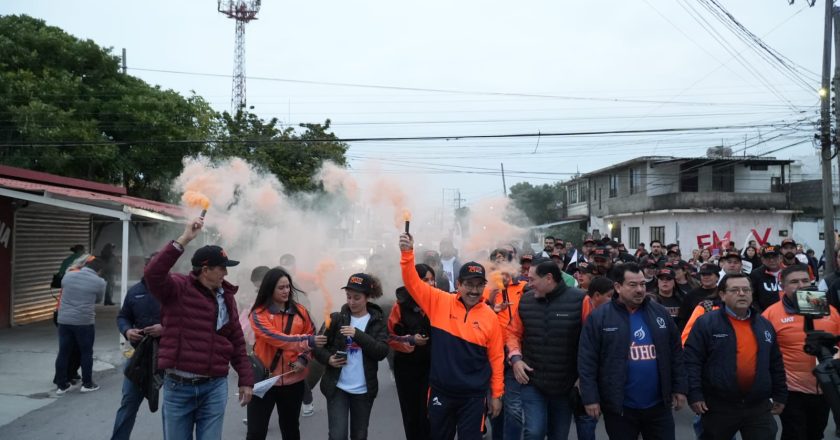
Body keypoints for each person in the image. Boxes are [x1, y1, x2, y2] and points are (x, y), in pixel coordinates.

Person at [144, 217, 254, 440]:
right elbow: (152, 274)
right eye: (222, 268)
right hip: (178, 388)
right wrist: (184, 239)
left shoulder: (227, 297)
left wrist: (245, 379)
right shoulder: (177, 288)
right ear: (205, 269)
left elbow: (236, 340)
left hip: (214, 387)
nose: (226, 273)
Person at [399, 232, 504, 440]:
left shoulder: (490, 317)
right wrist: (407, 253)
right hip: (441, 393)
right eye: (469, 284)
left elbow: (496, 358)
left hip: (473, 398)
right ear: (459, 284)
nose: (474, 290)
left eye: (479, 285)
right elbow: (412, 283)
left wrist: (497, 394)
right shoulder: (439, 302)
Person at [578, 263, 687, 440]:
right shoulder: (600, 317)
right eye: (633, 285)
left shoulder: (660, 313)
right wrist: (590, 398)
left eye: (642, 284)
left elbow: (675, 353)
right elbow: (587, 361)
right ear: (618, 287)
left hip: (658, 407)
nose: (639, 290)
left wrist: (680, 387)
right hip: (620, 408)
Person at [684, 273, 787, 440]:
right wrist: (695, 394)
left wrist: (780, 394)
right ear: (722, 295)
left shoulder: (764, 325)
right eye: (735, 290)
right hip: (719, 406)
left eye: (746, 289)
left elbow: (775, 363)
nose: (742, 293)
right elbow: (692, 361)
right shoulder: (706, 323)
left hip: (758, 406)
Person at [506, 260, 587, 440]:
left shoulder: (580, 299)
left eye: (533, 279)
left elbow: (591, 341)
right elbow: (512, 333)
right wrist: (515, 359)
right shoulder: (526, 299)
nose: (529, 283)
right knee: (534, 432)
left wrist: (584, 377)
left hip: (565, 384)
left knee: (558, 435)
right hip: (532, 380)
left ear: (549, 278)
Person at [761, 264, 840, 440]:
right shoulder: (771, 314)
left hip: (825, 388)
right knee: (795, 434)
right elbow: (763, 353)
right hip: (791, 390)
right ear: (782, 286)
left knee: (816, 433)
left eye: (805, 280)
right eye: (794, 282)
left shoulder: (831, 311)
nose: (801, 285)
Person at [247, 267, 326, 440]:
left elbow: (311, 338)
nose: (286, 291)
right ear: (269, 289)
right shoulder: (258, 314)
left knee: (291, 430)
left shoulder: (301, 312)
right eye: (280, 288)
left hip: (293, 382)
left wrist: (303, 359)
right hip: (264, 381)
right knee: (256, 432)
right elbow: (277, 338)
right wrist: (308, 341)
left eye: (287, 287)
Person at [314, 273, 389, 440]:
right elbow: (317, 348)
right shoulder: (335, 318)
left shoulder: (378, 321)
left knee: (359, 435)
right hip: (337, 387)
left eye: (357, 298)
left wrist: (357, 334)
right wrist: (329, 359)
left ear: (368, 297)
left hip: (363, 390)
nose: (351, 302)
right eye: (348, 297)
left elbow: (381, 352)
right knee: (337, 435)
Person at [111, 253, 162, 440]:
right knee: (128, 403)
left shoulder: (177, 291)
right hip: (142, 356)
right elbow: (123, 316)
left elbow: (189, 321)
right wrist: (127, 331)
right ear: (146, 268)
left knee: (173, 409)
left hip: (171, 357)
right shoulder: (134, 292)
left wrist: (165, 329)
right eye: (153, 267)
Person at [389, 264, 435, 440]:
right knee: (412, 416)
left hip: (434, 368)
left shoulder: (439, 301)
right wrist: (411, 340)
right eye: (425, 280)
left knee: (433, 414)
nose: (430, 283)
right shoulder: (399, 306)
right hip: (407, 369)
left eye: (432, 279)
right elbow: (390, 337)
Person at [54, 256, 107, 394]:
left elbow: (64, 290)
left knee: (63, 352)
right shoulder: (99, 282)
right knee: (86, 352)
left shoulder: (68, 276)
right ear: (99, 270)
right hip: (84, 321)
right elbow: (98, 299)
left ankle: (61, 385)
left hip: (64, 320)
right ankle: (87, 384)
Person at [677, 264, 720, 330]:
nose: (706, 277)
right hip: (695, 333)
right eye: (703, 275)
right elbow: (682, 318)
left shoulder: (723, 294)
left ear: (717, 277)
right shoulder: (691, 295)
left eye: (709, 274)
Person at [750, 245, 783, 312]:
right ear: (762, 260)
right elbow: (753, 298)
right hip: (765, 316)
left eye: (775, 257)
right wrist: (761, 315)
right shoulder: (755, 274)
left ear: (780, 258)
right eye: (768, 257)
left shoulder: (789, 272)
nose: (771, 260)